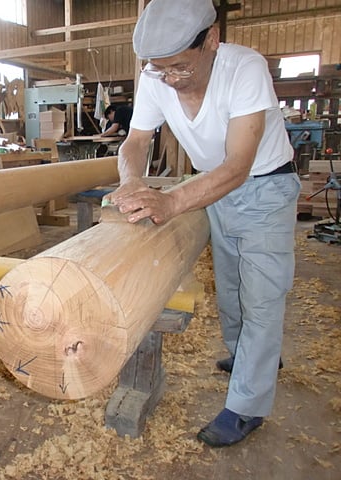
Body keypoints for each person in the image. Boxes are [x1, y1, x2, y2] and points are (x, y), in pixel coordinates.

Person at [108, 0, 300, 448]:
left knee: (262, 297)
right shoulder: (156, 77)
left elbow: (237, 167)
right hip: (213, 188)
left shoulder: (244, 68)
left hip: (263, 186)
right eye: (161, 70)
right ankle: (244, 357)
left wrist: (172, 202)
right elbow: (135, 141)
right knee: (232, 287)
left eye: (180, 67)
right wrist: (132, 181)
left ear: (211, 40)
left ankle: (247, 407)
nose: (170, 79)